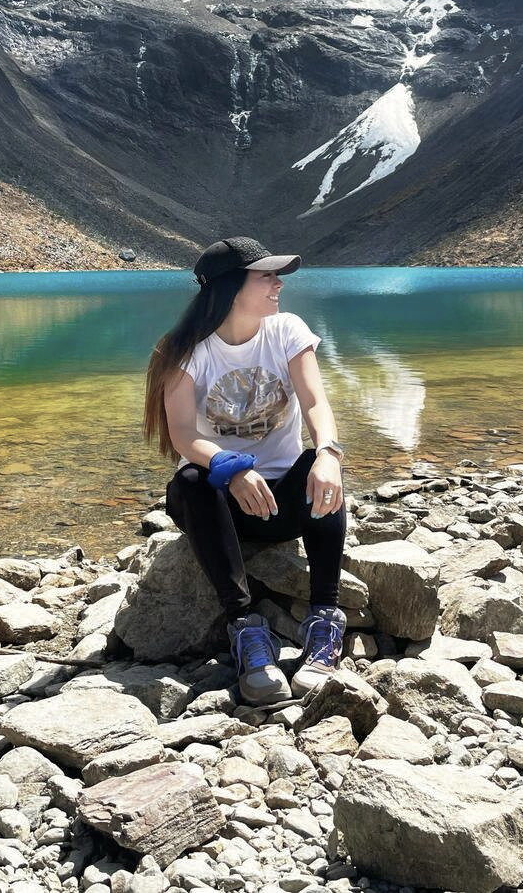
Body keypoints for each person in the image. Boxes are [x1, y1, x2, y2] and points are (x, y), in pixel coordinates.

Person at [142, 235, 347, 706]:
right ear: (232, 287)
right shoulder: (184, 352)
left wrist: (328, 455)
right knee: (191, 480)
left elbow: (316, 402)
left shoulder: (287, 330)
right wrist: (231, 468)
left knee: (320, 470)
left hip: (282, 504)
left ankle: (324, 618)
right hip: (222, 509)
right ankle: (246, 629)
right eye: (266, 276)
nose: (278, 284)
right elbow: (182, 436)